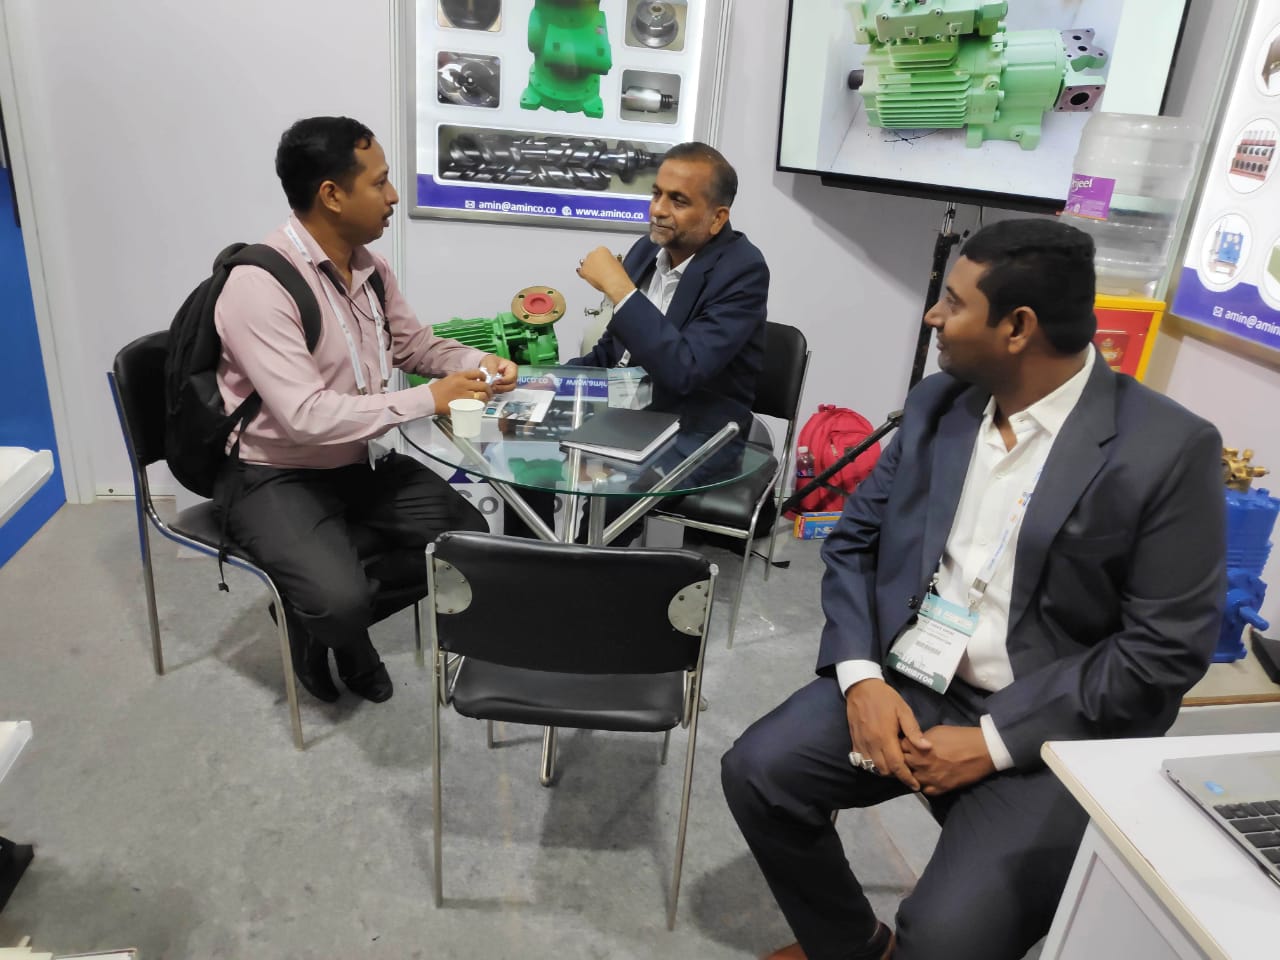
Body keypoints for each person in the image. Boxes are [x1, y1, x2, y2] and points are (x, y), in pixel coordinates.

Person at [720, 218, 1226, 960]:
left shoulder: (1167, 449)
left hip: (1052, 721)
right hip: (916, 677)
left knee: (947, 938)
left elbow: (1166, 650)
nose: (932, 314)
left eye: (953, 302)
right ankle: (854, 948)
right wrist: (861, 678)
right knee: (761, 772)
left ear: (1017, 328)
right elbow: (855, 543)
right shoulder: (940, 405)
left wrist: (993, 742)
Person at [213, 116, 518, 704]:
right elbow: (305, 416)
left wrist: (478, 362)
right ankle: (336, 623)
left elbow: (414, 345)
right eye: (379, 182)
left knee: (465, 542)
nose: (393, 196)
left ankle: (318, 613)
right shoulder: (259, 284)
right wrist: (430, 397)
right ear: (332, 194)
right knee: (339, 600)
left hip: (356, 459)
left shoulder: (370, 270)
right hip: (274, 471)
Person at [506, 141, 769, 541]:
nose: (658, 209)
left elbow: (684, 371)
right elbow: (611, 354)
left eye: (678, 200)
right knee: (523, 451)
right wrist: (542, 382)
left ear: (717, 218)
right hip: (624, 413)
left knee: (613, 488)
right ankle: (523, 565)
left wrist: (620, 289)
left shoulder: (743, 270)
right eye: (656, 193)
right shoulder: (647, 250)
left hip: (696, 428)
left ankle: (580, 574)